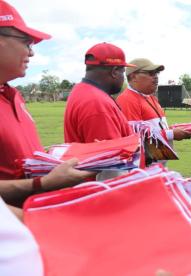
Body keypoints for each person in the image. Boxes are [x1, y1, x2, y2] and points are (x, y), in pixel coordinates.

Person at [0, 1, 93, 275]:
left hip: (29, 238)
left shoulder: (12, 96)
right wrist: (43, 183)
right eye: (26, 41)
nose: (31, 51)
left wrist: (57, 158)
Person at [116, 58, 191, 165]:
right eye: (150, 73)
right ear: (133, 76)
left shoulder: (151, 98)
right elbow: (134, 139)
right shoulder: (127, 100)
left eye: (157, 73)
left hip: (157, 166)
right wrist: (171, 134)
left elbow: (155, 128)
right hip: (144, 170)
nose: (155, 77)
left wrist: (173, 130)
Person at [64, 42, 134, 144]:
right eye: (122, 72)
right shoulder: (97, 103)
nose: (123, 78)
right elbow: (111, 156)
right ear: (114, 72)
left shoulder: (81, 90)